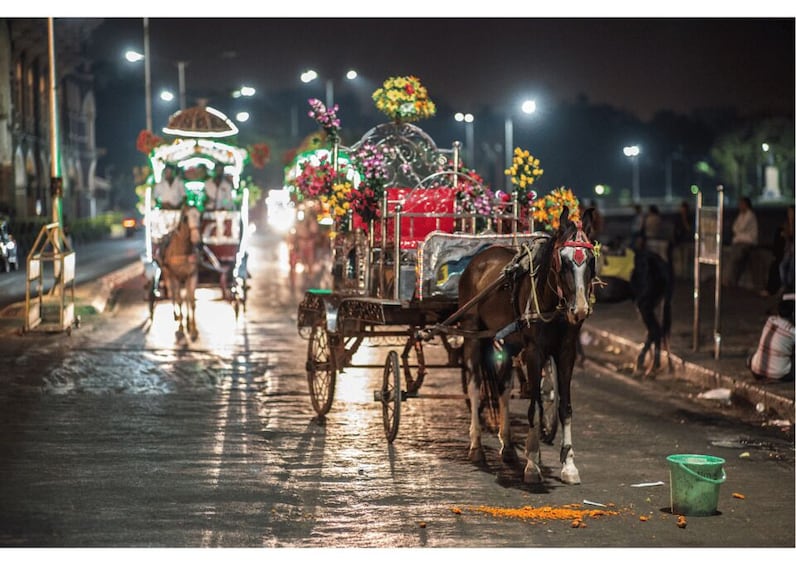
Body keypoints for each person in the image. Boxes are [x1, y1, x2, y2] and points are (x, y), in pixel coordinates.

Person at [747, 291, 794, 381]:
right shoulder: (792, 332)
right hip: (779, 374)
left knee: (752, 357)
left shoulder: (770, 320)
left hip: (757, 370)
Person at [727, 196, 759, 288]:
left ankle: (731, 280)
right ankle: (730, 280)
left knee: (736, 256)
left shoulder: (750, 215)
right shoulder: (741, 215)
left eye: (741, 204)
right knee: (733, 256)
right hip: (739, 241)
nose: (740, 206)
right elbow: (734, 227)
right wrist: (739, 233)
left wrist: (739, 233)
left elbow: (741, 228)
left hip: (749, 242)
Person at [765, 205, 794, 296]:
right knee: (781, 265)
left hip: (792, 252)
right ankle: (784, 286)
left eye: (792, 212)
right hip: (788, 251)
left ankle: (788, 287)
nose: (790, 214)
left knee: (791, 267)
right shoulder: (786, 224)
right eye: (789, 212)